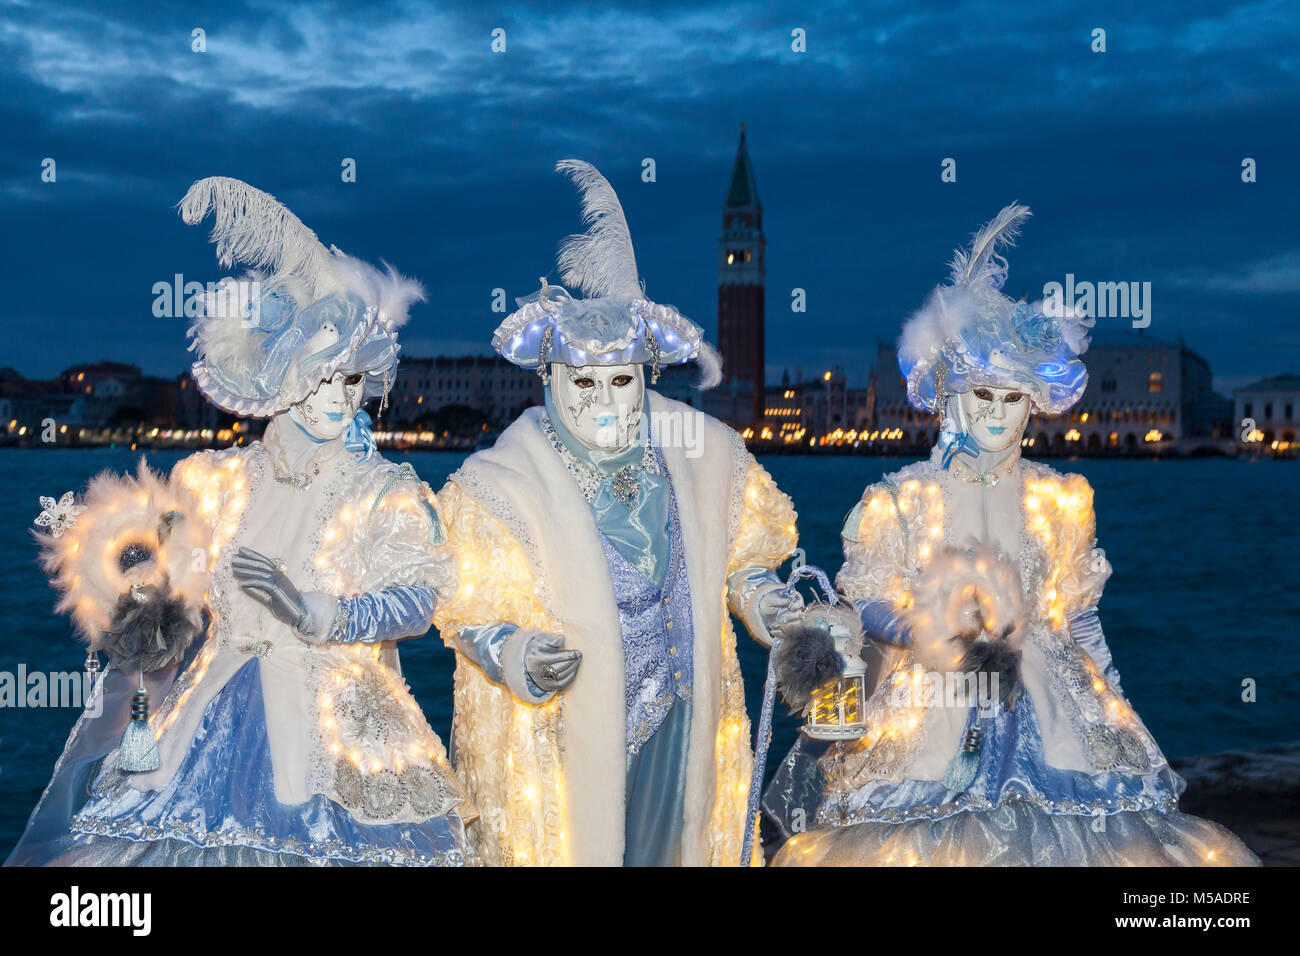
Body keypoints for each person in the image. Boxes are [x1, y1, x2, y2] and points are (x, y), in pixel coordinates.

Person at [7, 178, 476, 866]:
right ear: (283, 379)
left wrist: (312, 610)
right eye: (322, 379)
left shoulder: (385, 491)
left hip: (341, 734)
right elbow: (167, 587)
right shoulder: (213, 481)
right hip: (198, 732)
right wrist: (145, 603)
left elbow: (416, 600)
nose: (339, 400)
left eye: (352, 382)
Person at [770, 204, 1258, 866]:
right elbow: (869, 601)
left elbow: (1082, 621)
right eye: (981, 396)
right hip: (931, 713)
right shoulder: (901, 501)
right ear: (950, 400)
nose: (996, 415)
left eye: (1010, 399)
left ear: (1032, 402)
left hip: (1057, 712)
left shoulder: (1061, 501)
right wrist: (925, 631)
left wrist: (1115, 709)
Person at [433, 160, 802, 866]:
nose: (604, 399)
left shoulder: (706, 459)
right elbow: (467, 608)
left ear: (646, 377)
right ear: (550, 380)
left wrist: (764, 599)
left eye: (620, 380)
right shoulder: (499, 488)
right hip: (566, 739)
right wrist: (514, 651)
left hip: (686, 728)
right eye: (584, 382)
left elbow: (743, 559)